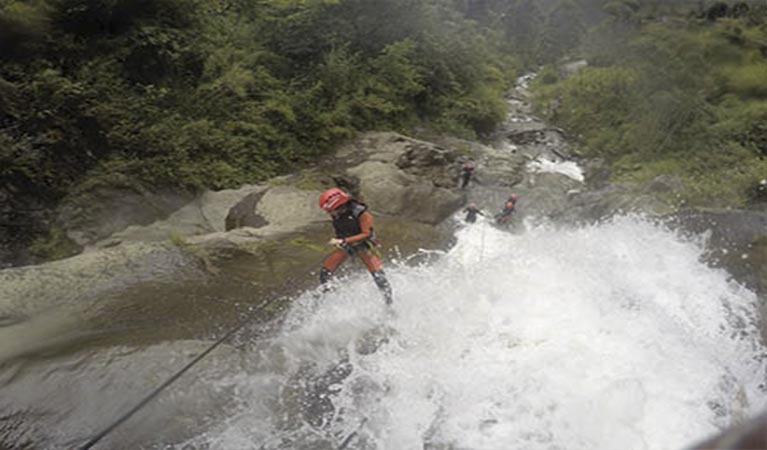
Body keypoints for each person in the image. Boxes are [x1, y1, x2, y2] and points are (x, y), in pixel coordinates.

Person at [318, 188, 393, 305]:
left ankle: (389, 303)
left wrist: (343, 240)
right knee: (325, 273)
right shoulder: (337, 213)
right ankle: (328, 298)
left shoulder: (361, 213)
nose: (329, 214)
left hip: (363, 245)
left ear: (339, 205)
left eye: (330, 210)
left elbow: (366, 234)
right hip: (345, 243)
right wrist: (343, 241)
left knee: (379, 277)